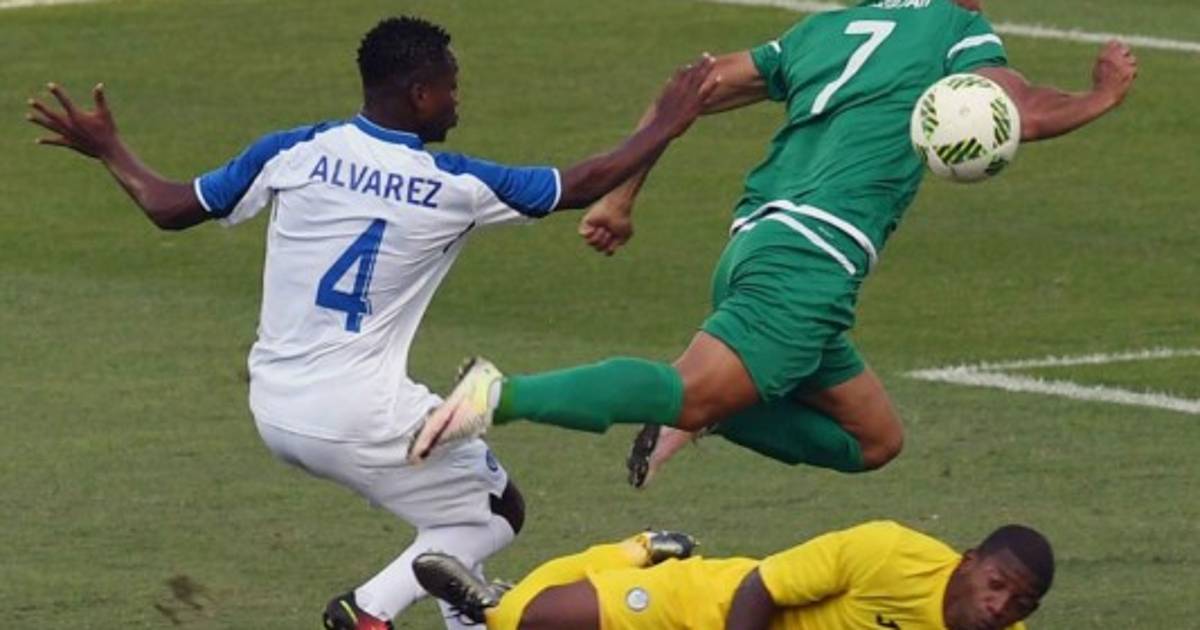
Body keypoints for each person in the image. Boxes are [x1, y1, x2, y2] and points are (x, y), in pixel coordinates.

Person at [25, 16, 717, 630]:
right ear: (419, 94)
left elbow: (170, 207)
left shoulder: (293, 151)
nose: (457, 100)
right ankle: (368, 610)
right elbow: (582, 183)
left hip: (275, 408)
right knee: (494, 513)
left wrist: (110, 148)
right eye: (450, 87)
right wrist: (670, 121)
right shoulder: (454, 186)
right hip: (361, 413)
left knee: (449, 522)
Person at [409, 0, 1140, 487]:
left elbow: (691, 87)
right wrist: (1101, 96)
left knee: (874, 440)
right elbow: (1017, 109)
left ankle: (712, 414)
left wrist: (622, 194)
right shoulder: (957, 27)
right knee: (688, 392)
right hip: (810, 259)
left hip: (758, 244)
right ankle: (499, 396)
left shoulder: (826, 31)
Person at [414, 520, 1054, 630]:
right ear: (968, 561)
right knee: (523, 620)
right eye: (998, 585)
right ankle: (636, 551)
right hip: (717, 608)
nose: (1001, 607)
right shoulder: (887, 552)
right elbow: (761, 588)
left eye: (1020, 604)